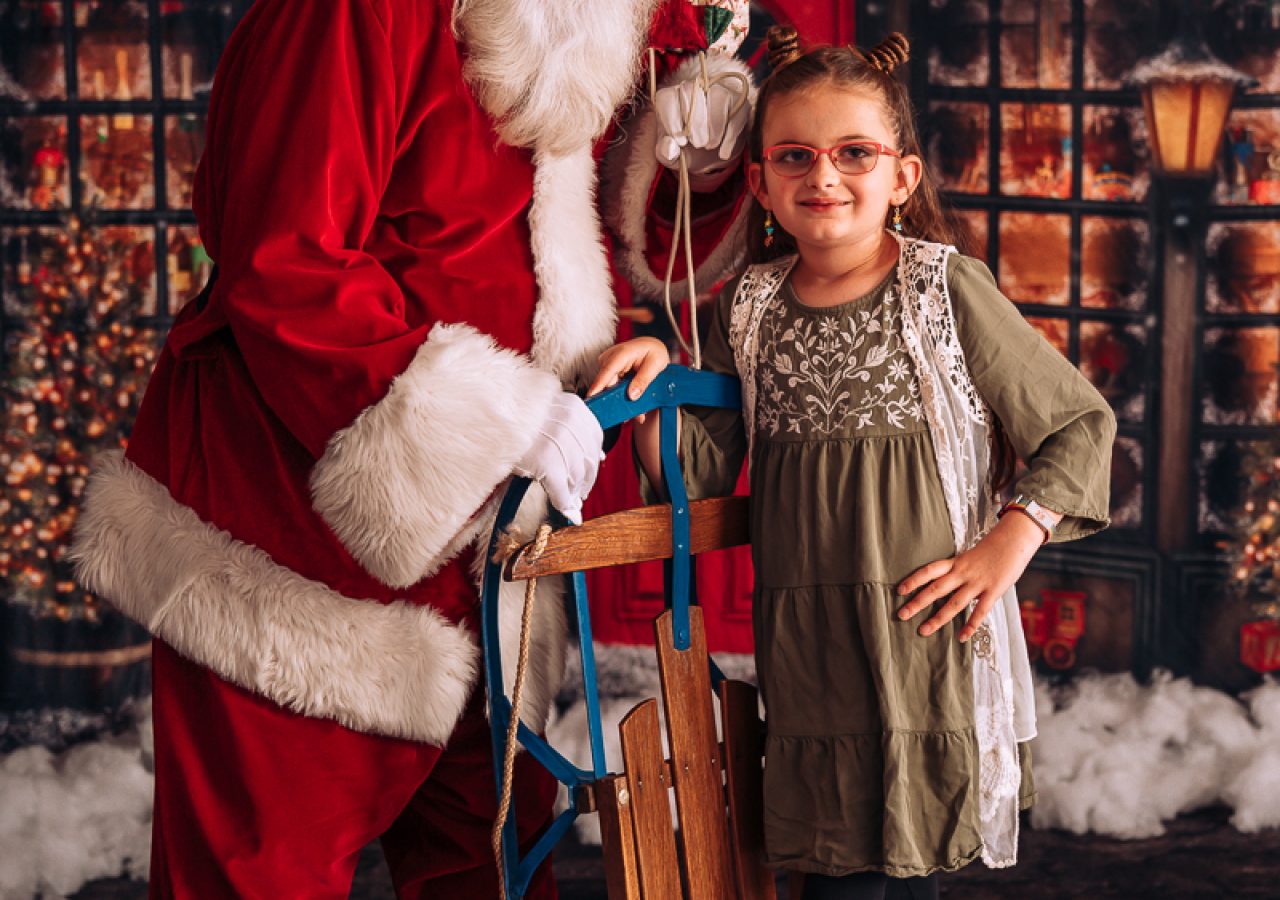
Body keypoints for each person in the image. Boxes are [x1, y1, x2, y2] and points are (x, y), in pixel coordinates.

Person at [65, 0, 746, 895]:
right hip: (295, 538)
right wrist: (498, 416)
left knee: (492, 867)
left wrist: (700, 160)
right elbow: (282, 260)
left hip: (500, 546)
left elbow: (613, 216)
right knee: (261, 875)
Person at [590, 27, 1116, 900]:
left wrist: (1006, 547)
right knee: (834, 877)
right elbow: (700, 470)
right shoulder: (750, 307)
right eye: (794, 157)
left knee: (903, 875)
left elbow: (1079, 426)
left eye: (853, 154)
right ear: (758, 180)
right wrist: (660, 378)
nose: (823, 178)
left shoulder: (943, 290)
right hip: (811, 653)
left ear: (902, 177)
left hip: (925, 642)